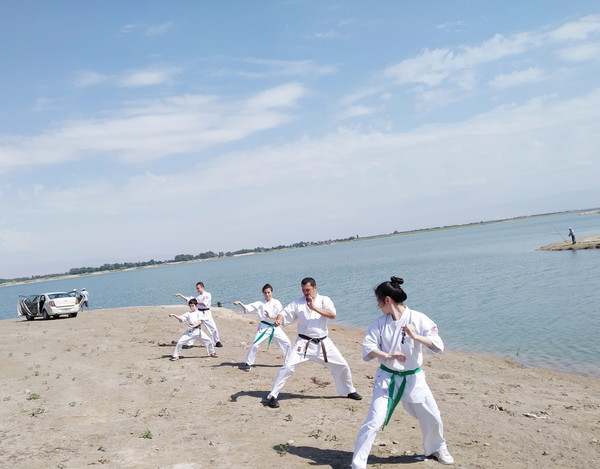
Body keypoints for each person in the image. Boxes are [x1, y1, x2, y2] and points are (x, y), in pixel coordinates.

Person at [351, 276, 454, 468]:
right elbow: (369, 347)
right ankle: (358, 463)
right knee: (374, 419)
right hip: (386, 378)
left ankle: (437, 448)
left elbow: (437, 344)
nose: (378, 306)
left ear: (387, 300)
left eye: (378, 301)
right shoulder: (379, 323)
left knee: (433, 416)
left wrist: (416, 336)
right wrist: (388, 355)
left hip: (413, 377)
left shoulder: (418, 318)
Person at [264, 277, 362, 408]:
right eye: (303, 290)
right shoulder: (298, 303)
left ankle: (349, 391)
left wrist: (314, 308)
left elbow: (332, 314)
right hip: (303, 343)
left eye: (308, 290)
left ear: (315, 288)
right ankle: (272, 396)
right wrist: (279, 319)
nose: (306, 292)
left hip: (323, 343)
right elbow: (284, 313)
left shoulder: (324, 300)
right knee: (287, 367)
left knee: (342, 365)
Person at [233, 283, 291, 371]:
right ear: (263, 293)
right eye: (265, 293)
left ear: (272, 292)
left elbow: (281, 314)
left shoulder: (277, 302)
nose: (267, 294)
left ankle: (288, 363)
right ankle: (248, 363)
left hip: (275, 327)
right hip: (264, 327)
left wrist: (271, 316)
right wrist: (240, 303)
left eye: (268, 292)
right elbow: (248, 308)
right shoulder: (260, 303)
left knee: (287, 343)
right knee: (255, 344)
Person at [175, 282, 223, 347]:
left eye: (198, 288)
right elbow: (188, 299)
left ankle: (217, 341)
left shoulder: (207, 294)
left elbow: (204, 303)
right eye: (196, 288)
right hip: (199, 312)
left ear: (202, 287)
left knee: (213, 328)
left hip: (207, 313)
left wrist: (196, 302)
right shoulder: (196, 296)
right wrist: (180, 295)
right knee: (194, 327)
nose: (197, 290)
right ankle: (189, 343)